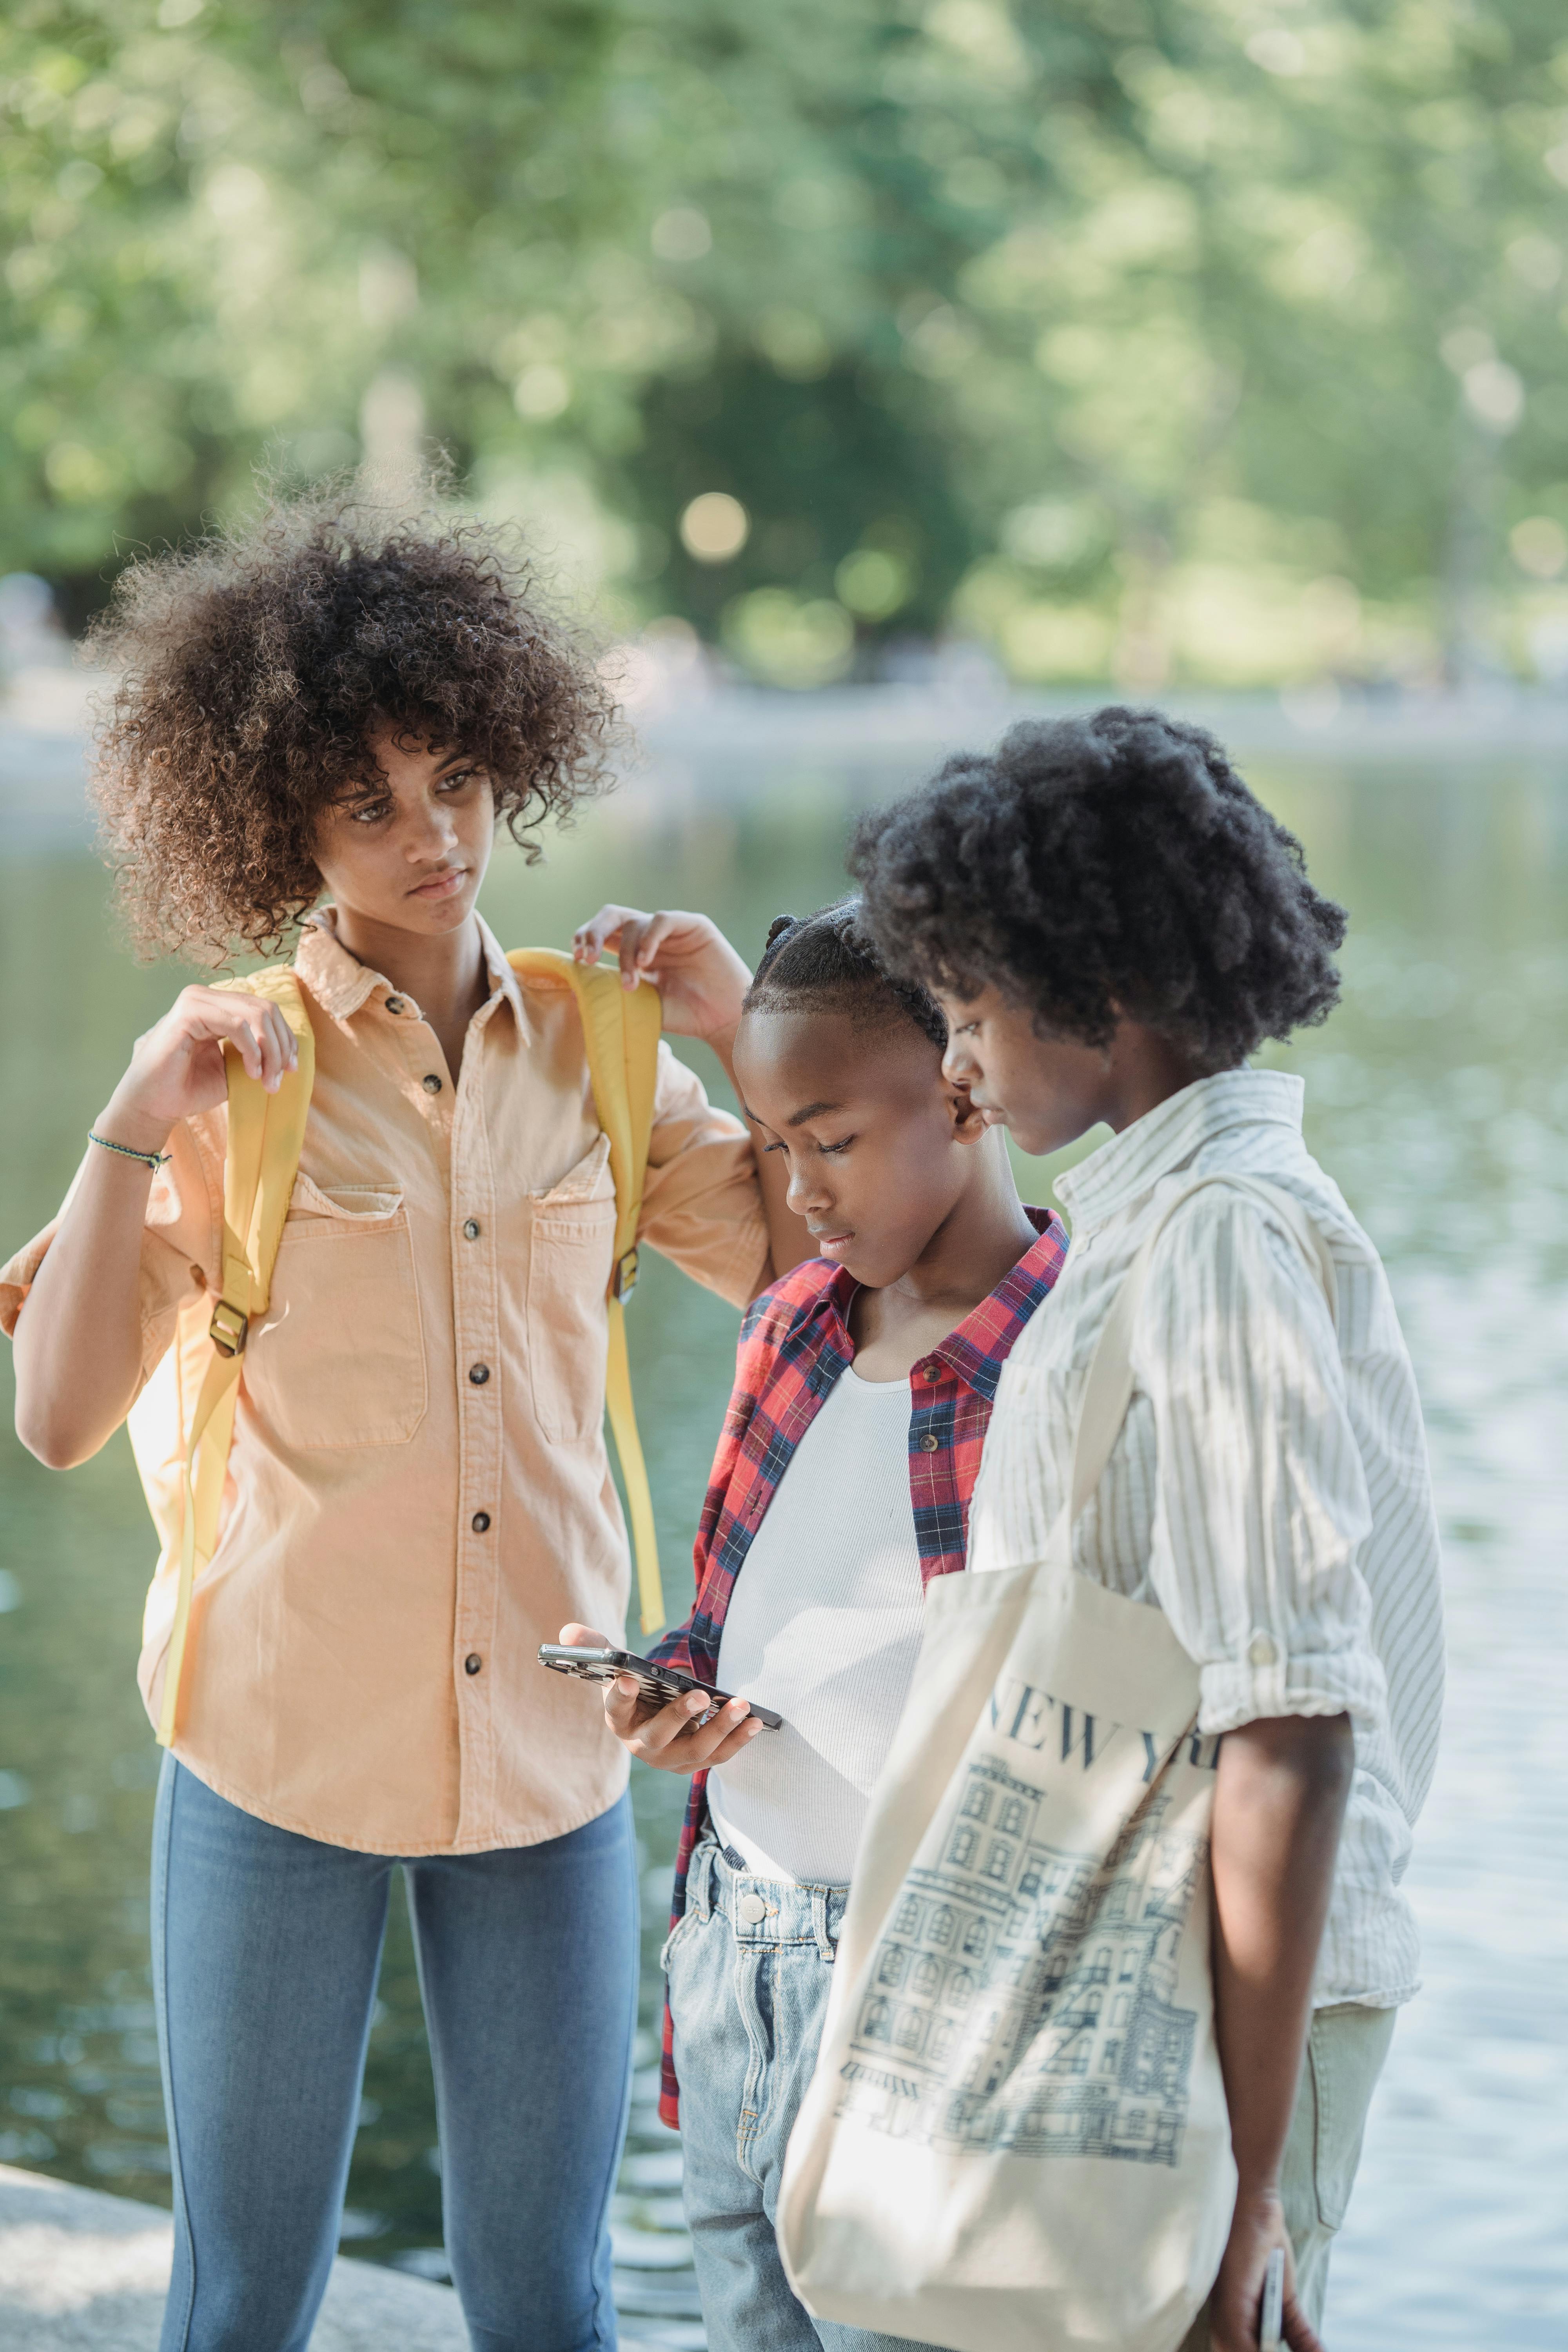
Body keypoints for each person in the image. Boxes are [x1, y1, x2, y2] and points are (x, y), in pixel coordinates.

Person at [1, 492, 809, 2352]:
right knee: (241, 2304)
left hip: (548, 1752)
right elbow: (52, 1425)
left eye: (450, 780)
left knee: (549, 2301)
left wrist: (739, 1020)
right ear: (277, 821)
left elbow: (801, 1264)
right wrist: (133, 1111)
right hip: (276, 1751)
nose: (431, 836)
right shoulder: (228, 1076)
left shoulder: (603, 1046)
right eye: (366, 803)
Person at [848, 707, 1444, 2352]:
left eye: (967, 1013)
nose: (953, 1066)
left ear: (1096, 1003)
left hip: (1217, 2031)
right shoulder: (1149, 1224)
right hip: (1136, 1984)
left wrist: (1245, 2193)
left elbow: (1293, 1730)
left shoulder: (1217, 1243)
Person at [559, 900, 1069, 2352]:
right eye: (779, 1149)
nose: (805, 1189)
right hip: (735, 1965)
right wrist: (673, 1689)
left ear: (968, 1093)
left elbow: (1078, 1724)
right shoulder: (791, 1324)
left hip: (923, 1998)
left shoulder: (1064, 1352)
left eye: (830, 1141)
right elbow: (746, 1609)